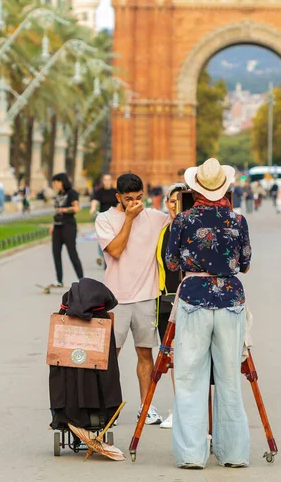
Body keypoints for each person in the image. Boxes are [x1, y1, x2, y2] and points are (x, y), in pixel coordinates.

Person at [166, 158, 252, 469]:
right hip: (230, 299)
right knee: (229, 377)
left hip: (194, 297)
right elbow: (245, 264)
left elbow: (172, 263)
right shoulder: (237, 221)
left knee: (190, 377)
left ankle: (191, 454)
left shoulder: (183, 220)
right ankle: (234, 453)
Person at [95, 173, 169, 425]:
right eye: (129, 199)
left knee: (145, 353)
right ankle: (107, 408)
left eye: (139, 198)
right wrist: (128, 219)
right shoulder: (104, 219)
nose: (135, 203)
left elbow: (180, 222)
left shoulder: (155, 217)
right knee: (109, 356)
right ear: (118, 197)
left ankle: (146, 406)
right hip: (116, 298)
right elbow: (115, 251)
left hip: (146, 297)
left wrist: (175, 204)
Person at [49, 277, 124, 461]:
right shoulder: (102, 320)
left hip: (67, 408)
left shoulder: (62, 320)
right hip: (99, 410)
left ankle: (70, 417)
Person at [156, 181, 188, 429]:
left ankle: (185, 409)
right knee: (172, 357)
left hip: (189, 300)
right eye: (171, 200)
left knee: (187, 357)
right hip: (165, 300)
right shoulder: (161, 230)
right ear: (166, 203)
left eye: (181, 200)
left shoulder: (194, 228)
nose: (175, 205)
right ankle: (180, 407)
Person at [50, 173, 84, 288]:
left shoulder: (72, 193)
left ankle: (82, 280)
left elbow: (76, 208)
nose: (55, 185)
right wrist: (53, 225)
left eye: (56, 182)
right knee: (56, 253)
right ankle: (59, 280)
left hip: (68, 226)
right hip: (57, 226)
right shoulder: (59, 194)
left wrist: (64, 210)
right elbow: (56, 211)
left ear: (62, 181)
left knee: (72, 253)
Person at [90, 174, 119, 266]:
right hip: (103, 217)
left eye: (108, 180)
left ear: (111, 181)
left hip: (114, 217)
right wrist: (92, 208)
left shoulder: (115, 192)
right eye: (105, 180)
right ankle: (100, 255)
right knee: (102, 237)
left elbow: (119, 203)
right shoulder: (99, 191)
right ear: (102, 181)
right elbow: (94, 200)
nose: (107, 181)